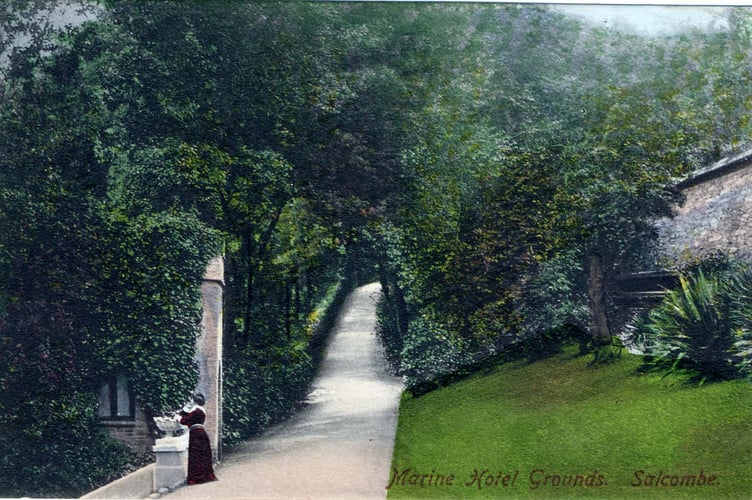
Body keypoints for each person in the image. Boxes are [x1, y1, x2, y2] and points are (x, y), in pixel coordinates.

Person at [178, 392, 218, 485]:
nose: (190, 401)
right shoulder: (200, 410)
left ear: (195, 400)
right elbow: (187, 416)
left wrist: (182, 413)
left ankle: (197, 478)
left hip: (196, 433)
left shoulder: (196, 410)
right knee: (202, 454)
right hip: (200, 432)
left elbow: (184, 420)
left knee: (196, 455)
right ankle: (204, 475)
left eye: (192, 399)